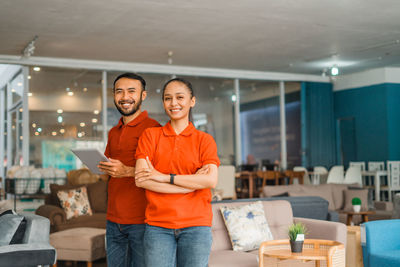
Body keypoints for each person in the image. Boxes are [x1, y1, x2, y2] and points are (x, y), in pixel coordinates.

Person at [134, 78, 220, 267]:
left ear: (192, 101)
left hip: (197, 226)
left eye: (180, 97)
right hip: (158, 226)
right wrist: (190, 185)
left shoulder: (204, 140)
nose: (174, 103)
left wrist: (164, 177)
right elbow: (142, 180)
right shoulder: (150, 136)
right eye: (168, 98)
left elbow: (210, 180)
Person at [98, 72, 160, 267]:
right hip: (113, 218)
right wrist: (101, 168)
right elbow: (108, 173)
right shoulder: (113, 131)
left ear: (143, 96)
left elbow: (162, 172)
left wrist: (126, 171)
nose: (124, 97)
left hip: (142, 220)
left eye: (131, 91)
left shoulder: (154, 129)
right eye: (119, 92)